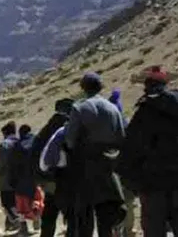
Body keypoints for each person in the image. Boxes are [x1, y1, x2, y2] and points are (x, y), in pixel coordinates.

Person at [118, 66, 178, 237]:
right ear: (166, 85)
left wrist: (134, 185)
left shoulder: (142, 116)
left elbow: (128, 154)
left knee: (154, 229)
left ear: (147, 87)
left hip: (152, 189)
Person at [63, 73, 127, 237]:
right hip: (109, 167)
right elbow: (121, 137)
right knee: (106, 214)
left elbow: (70, 140)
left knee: (84, 216)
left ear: (84, 88)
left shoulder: (80, 108)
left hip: (85, 167)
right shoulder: (113, 108)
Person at [31, 98, 74, 237]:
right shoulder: (69, 128)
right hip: (67, 180)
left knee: (50, 210)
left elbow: (34, 152)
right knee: (71, 213)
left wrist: (40, 177)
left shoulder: (46, 129)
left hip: (48, 180)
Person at [108, 88, 135, 237]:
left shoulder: (103, 130)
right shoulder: (127, 128)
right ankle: (128, 232)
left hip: (111, 176)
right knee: (129, 205)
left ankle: (116, 232)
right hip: (127, 175)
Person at [9, 124, 42, 236]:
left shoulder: (17, 146)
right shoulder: (37, 142)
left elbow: (13, 165)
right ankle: (37, 216)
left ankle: (24, 228)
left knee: (21, 206)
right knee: (36, 200)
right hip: (35, 179)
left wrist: (12, 180)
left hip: (21, 181)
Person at [0, 121, 20, 232]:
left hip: (6, 179)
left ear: (5, 132)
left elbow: (0, 163)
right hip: (20, 178)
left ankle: (16, 222)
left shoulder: (4, 144)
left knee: (7, 204)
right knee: (16, 203)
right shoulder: (20, 142)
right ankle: (11, 225)